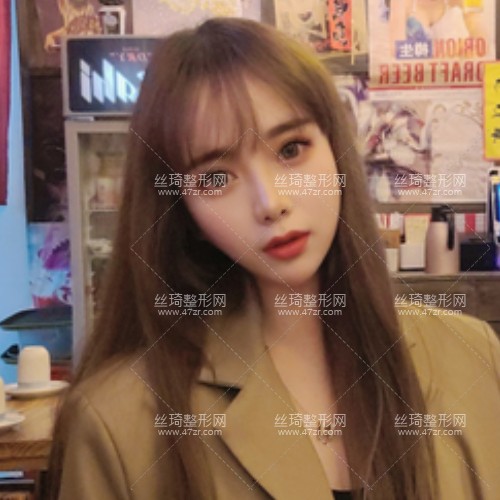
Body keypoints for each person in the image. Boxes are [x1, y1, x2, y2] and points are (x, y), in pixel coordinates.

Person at [48, 17, 500, 500]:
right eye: (216, 177)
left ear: (335, 150)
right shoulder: (117, 426)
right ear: (182, 210)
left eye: (291, 149)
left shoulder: (471, 356)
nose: (271, 203)